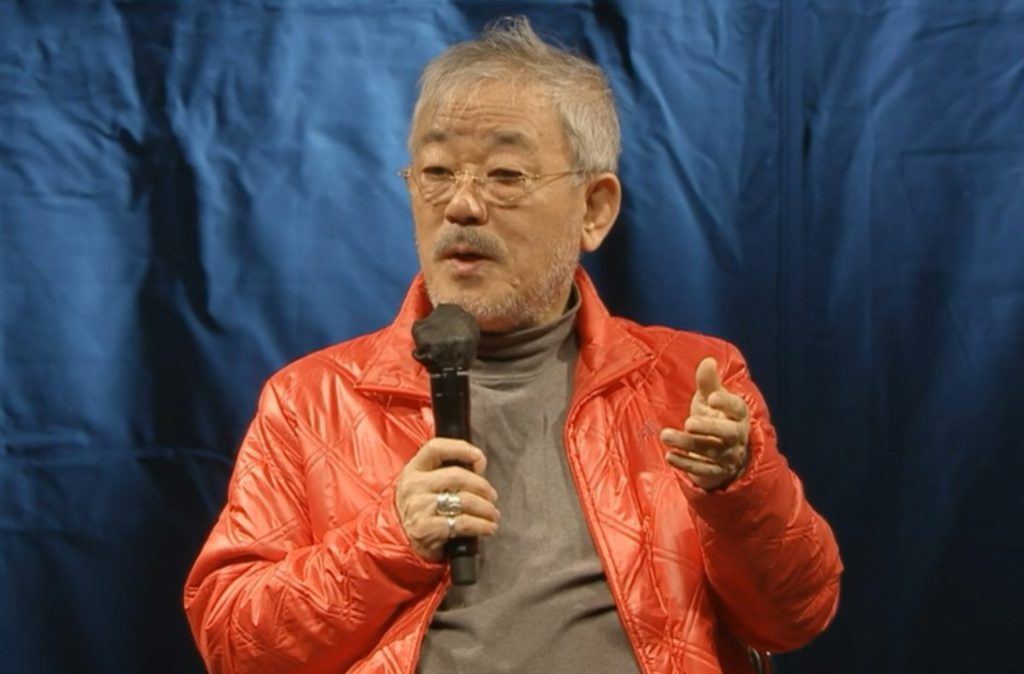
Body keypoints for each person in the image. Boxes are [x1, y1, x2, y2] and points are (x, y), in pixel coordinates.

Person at [184, 16, 842, 674]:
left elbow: (794, 616)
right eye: (437, 172)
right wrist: (388, 541)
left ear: (594, 209)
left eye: (504, 175)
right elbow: (232, 644)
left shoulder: (690, 382)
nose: (462, 206)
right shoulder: (312, 402)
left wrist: (738, 488)